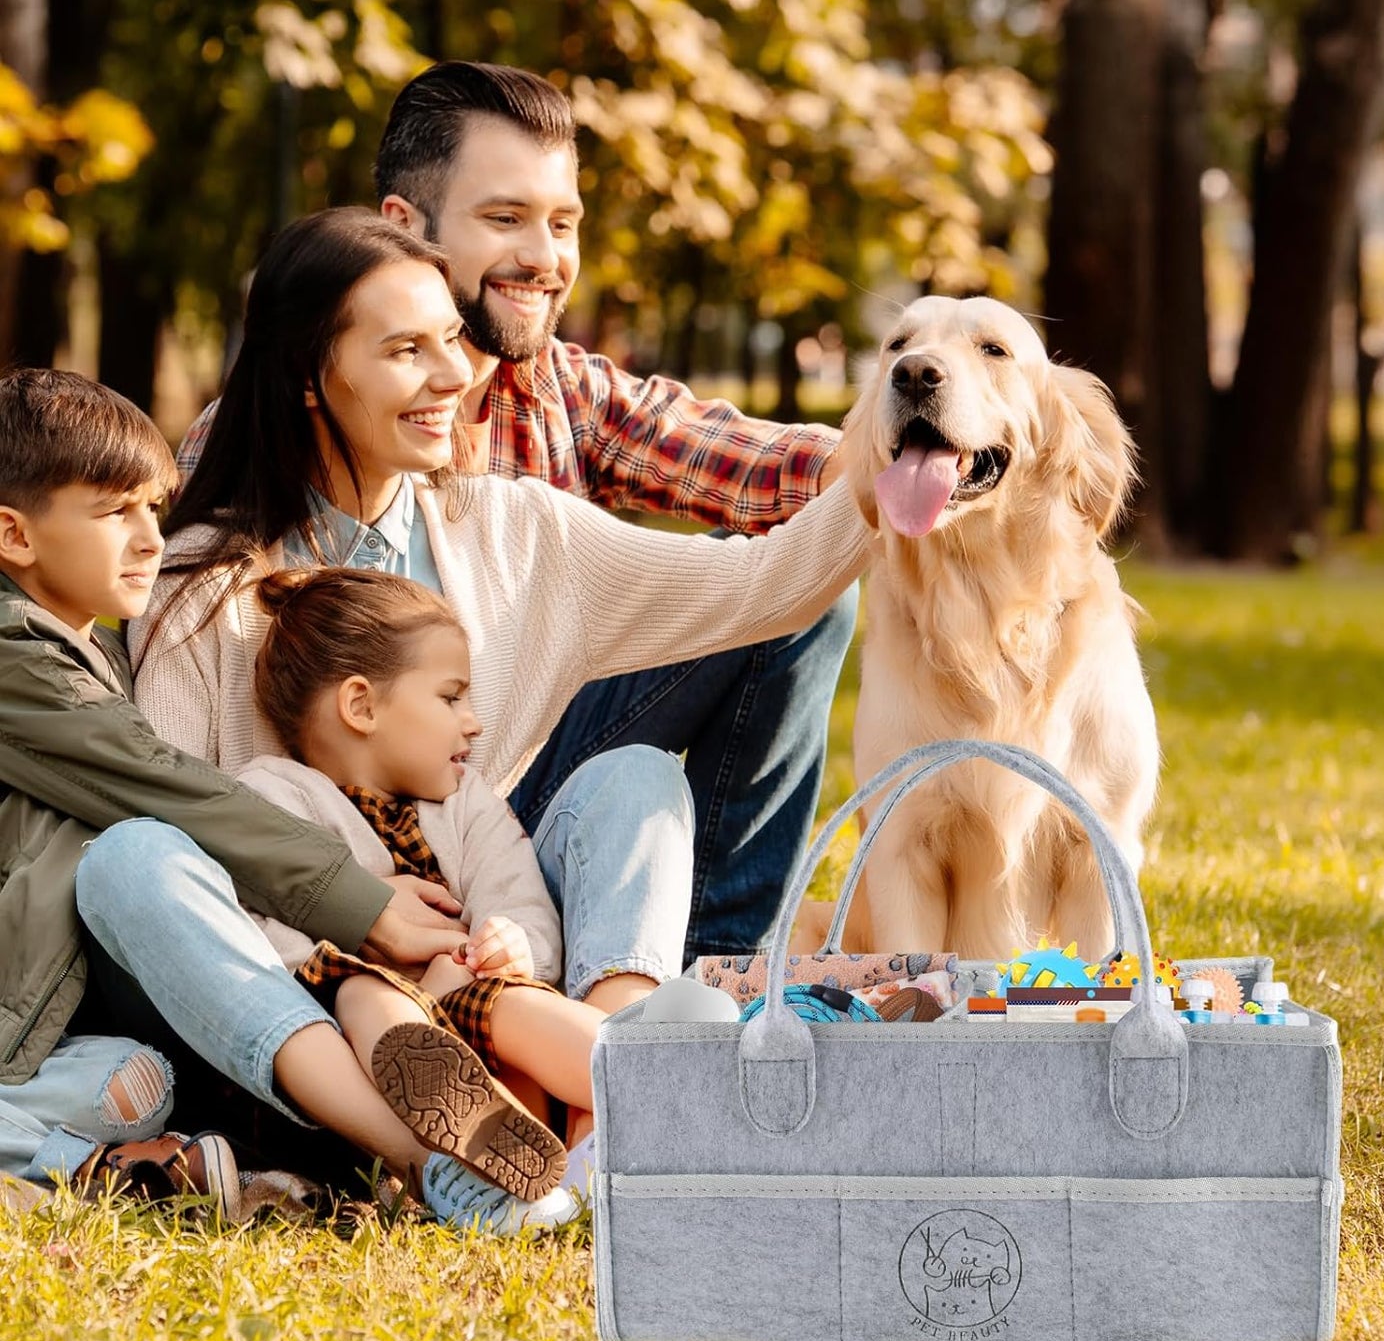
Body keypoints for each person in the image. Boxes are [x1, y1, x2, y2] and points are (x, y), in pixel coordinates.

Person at [178, 61, 854, 970]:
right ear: (404, 229)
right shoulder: (252, 453)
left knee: (799, 608)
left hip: (508, 768)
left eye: (563, 222)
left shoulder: (562, 398)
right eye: (505, 219)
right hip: (324, 829)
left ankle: (714, 972)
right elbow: (187, 734)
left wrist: (918, 444)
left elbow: (765, 468)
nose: (545, 257)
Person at [0, 368, 464, 1217]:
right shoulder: (12, 655)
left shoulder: (81, 647)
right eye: (114, 512)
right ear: (14, 533)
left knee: (133, 1083)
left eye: (153, 506)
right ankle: (405, 1154)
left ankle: (123, 1166)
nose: (149, 537)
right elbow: (167, 782)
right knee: (144, 856)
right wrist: (362, 904)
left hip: (49, 1036)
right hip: (14, 1033)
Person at [238, 566, 603, 1228]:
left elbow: (520, 900)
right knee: (368, 996)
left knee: (517, 1002)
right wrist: (411, 981)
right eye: (450, 697)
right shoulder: (275, 795)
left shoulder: (466, 803)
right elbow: (264, 936)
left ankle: (653, 1084)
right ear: (361, 705)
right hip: (356, 1048)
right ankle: (506, 1167)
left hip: (472, 999)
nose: (474, 723)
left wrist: (512, 940)